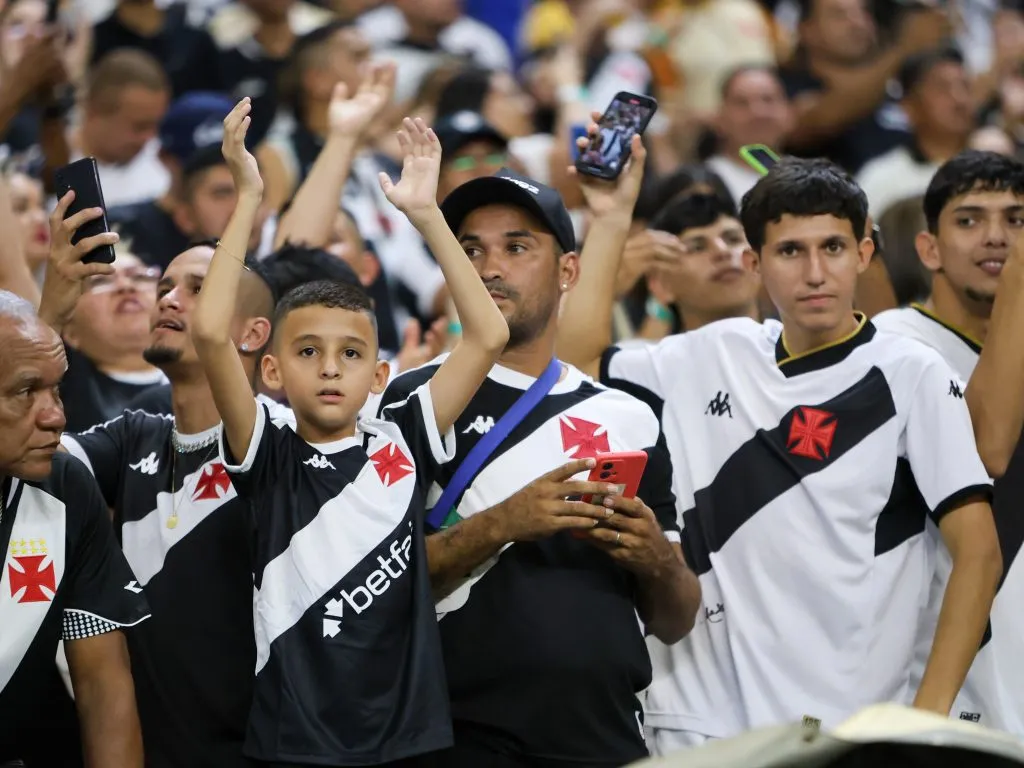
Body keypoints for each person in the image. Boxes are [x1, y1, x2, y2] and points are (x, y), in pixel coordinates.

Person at [558, 152, 1001, 750]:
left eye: (834, 248)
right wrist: (610, 219)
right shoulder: (710, 353)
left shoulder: (909, 371)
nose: (815, 273)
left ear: (864, 255)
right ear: (755, 263)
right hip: (704, 724)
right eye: (791, 251)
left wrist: (922, 725)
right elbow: (577, 358)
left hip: (850, 726)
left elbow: (978, 553)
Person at [193, 101, 508, 766]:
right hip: (293, 742)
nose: (331, 367)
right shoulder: (268, 451)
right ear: (272, 369)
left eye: (350, 354)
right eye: (308, 352)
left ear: (380, 374)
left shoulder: (405, 434)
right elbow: (209, 333)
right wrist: (249, 197)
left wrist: (427, 215)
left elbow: (487, 335)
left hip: (410, 739)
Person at [377, 151, 701, 767]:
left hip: (602, 733)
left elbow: (676, 618)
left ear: (568, 270)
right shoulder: (412, 399)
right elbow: (373, 581)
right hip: (452, 732)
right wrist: (504, 523)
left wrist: (656, 559)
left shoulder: (628, 414)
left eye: (517, 248)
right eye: (469, 250)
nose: (490, 268)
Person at [44, 211, 282, 764]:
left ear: (253, 333)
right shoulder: (134, 435)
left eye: (199, 289)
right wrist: (54, 304)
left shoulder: (289, 445)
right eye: (166, 287)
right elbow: (26, 453)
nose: (169, 300)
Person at [873, 150, 1024, 735]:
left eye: (1016, 219)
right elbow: (987, 450)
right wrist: (1018, 280)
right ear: (928, 248)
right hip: (942, 668)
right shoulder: (895, 346)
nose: (996, 237)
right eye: (969, 220)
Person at [0, 290, 150, 766]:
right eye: (25, 392)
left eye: (57, 389)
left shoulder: (66, 490)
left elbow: (102, 684)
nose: (56, 417)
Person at [641, 191, 761, 333]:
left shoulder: (793, 346)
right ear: (661, 284)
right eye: (697, 248)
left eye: (733, 239)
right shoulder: (642, 355)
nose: (722, 252)